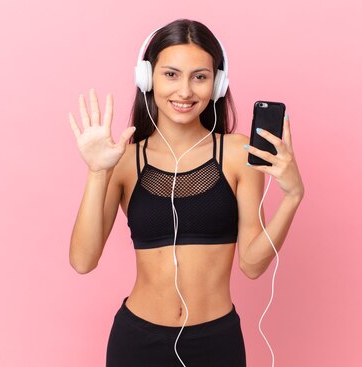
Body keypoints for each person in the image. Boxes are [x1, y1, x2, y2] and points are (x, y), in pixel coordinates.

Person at [68, 19, 304, 367]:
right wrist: (97, 171)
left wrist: (293, 196)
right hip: (137, 342)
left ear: (218, 84)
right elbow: (83, 261)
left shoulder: (238, 154)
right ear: (147, 78)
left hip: (216, 343)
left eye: (200, 76)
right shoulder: (123, 160)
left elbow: (252, 265)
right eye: (171, 75)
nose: (185, 92)